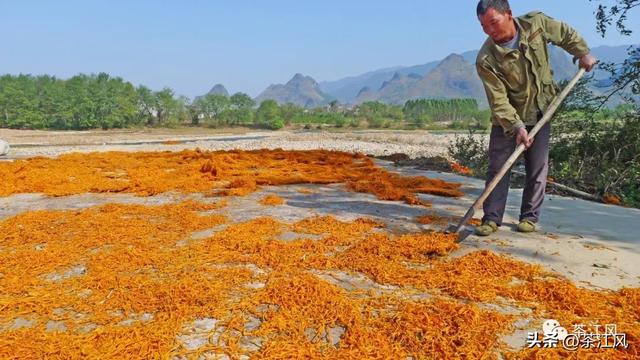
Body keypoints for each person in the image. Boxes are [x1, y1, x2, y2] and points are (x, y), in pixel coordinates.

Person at [474, 0, 597, 236]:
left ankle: (529, 218)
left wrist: (582, 52)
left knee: (537, 168)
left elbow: (564, 33)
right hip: (507, 119)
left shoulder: (535, 24)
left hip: (542, 110)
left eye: (493, 23)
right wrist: (517, 126)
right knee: (498, 167)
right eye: (483, 26)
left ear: (509, 14)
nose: (489, 31)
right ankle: (491, 219)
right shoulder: (486, 59)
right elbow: (498, 100)